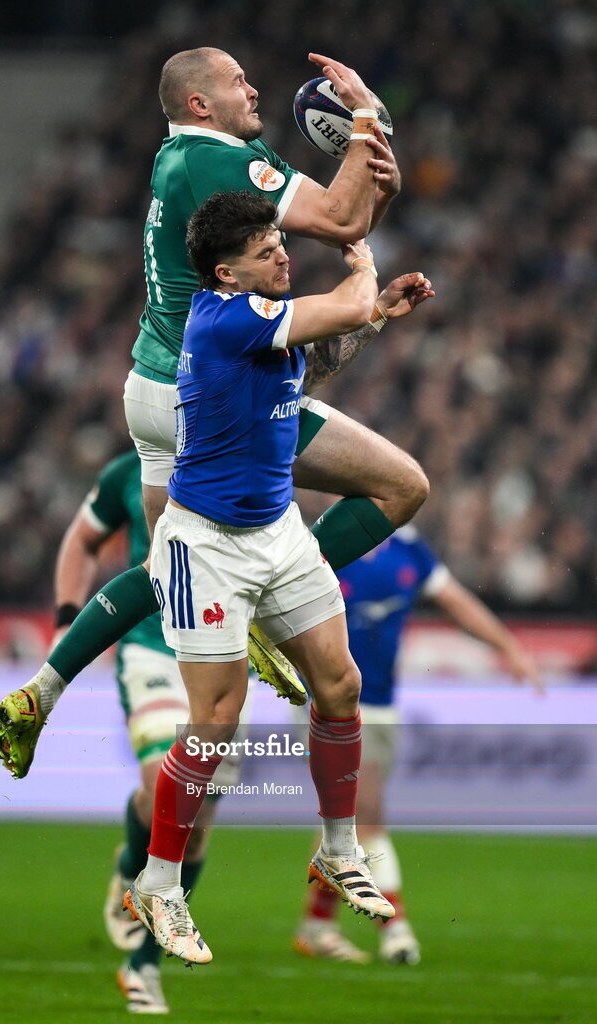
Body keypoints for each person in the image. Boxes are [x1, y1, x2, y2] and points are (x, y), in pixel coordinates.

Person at [0, 46, 430, 779]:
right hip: (215, 393)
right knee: (400, 485)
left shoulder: (204, 159)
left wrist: (373, 172)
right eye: (236, 82)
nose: (253, 88)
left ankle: (42, 690)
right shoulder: (215, 162)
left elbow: (351, 219)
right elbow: (340, 216)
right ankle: (273, 605)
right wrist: (361, 110)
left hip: (156, 386)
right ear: (199, 103)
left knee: (168, 564)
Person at [121, 189, 433, 966]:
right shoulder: (225, 317)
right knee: (215, 723)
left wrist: (377, 316)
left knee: (340, 686)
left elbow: (310, 366)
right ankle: (158, 882)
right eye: (266, 251)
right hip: (208, 544)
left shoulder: (256, 321)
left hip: (278, 533)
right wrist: (360, 259)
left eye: (279, 244)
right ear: (226, 273)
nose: (282, 255)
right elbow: (342, 301)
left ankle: (335, 848)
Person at [292, 525, 543, 965]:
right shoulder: (323, 540)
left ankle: (317, 924)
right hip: (328, 702)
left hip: (383, 704)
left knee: (346, 817)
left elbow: (455, 601)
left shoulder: (409, 549)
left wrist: (507, 645)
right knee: (366, 814)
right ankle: (396, 930)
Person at [52, 448, 246, 1012]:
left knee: (201, 810)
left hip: (226, 656)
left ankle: (144, 962)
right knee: (169, 779)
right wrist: (68, 620)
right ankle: (132, 881)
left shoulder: (250, 458)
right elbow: (81, 541)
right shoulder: (128, 471)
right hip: (152, 649)